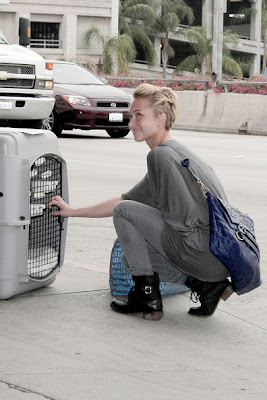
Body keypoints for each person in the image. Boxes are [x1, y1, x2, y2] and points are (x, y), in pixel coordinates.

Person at [49, 83, 233, 321]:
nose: (131, 123)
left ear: (161, 118)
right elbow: (125, 199)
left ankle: (147, 298)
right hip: (214, 258)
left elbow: (127, 210)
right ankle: (207, 285)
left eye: (139, 115)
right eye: (130, 116)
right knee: (131, 258)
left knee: (126, 215)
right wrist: (72, 211)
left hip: (197, 248)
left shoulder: (159, 156)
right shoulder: (177, 153)